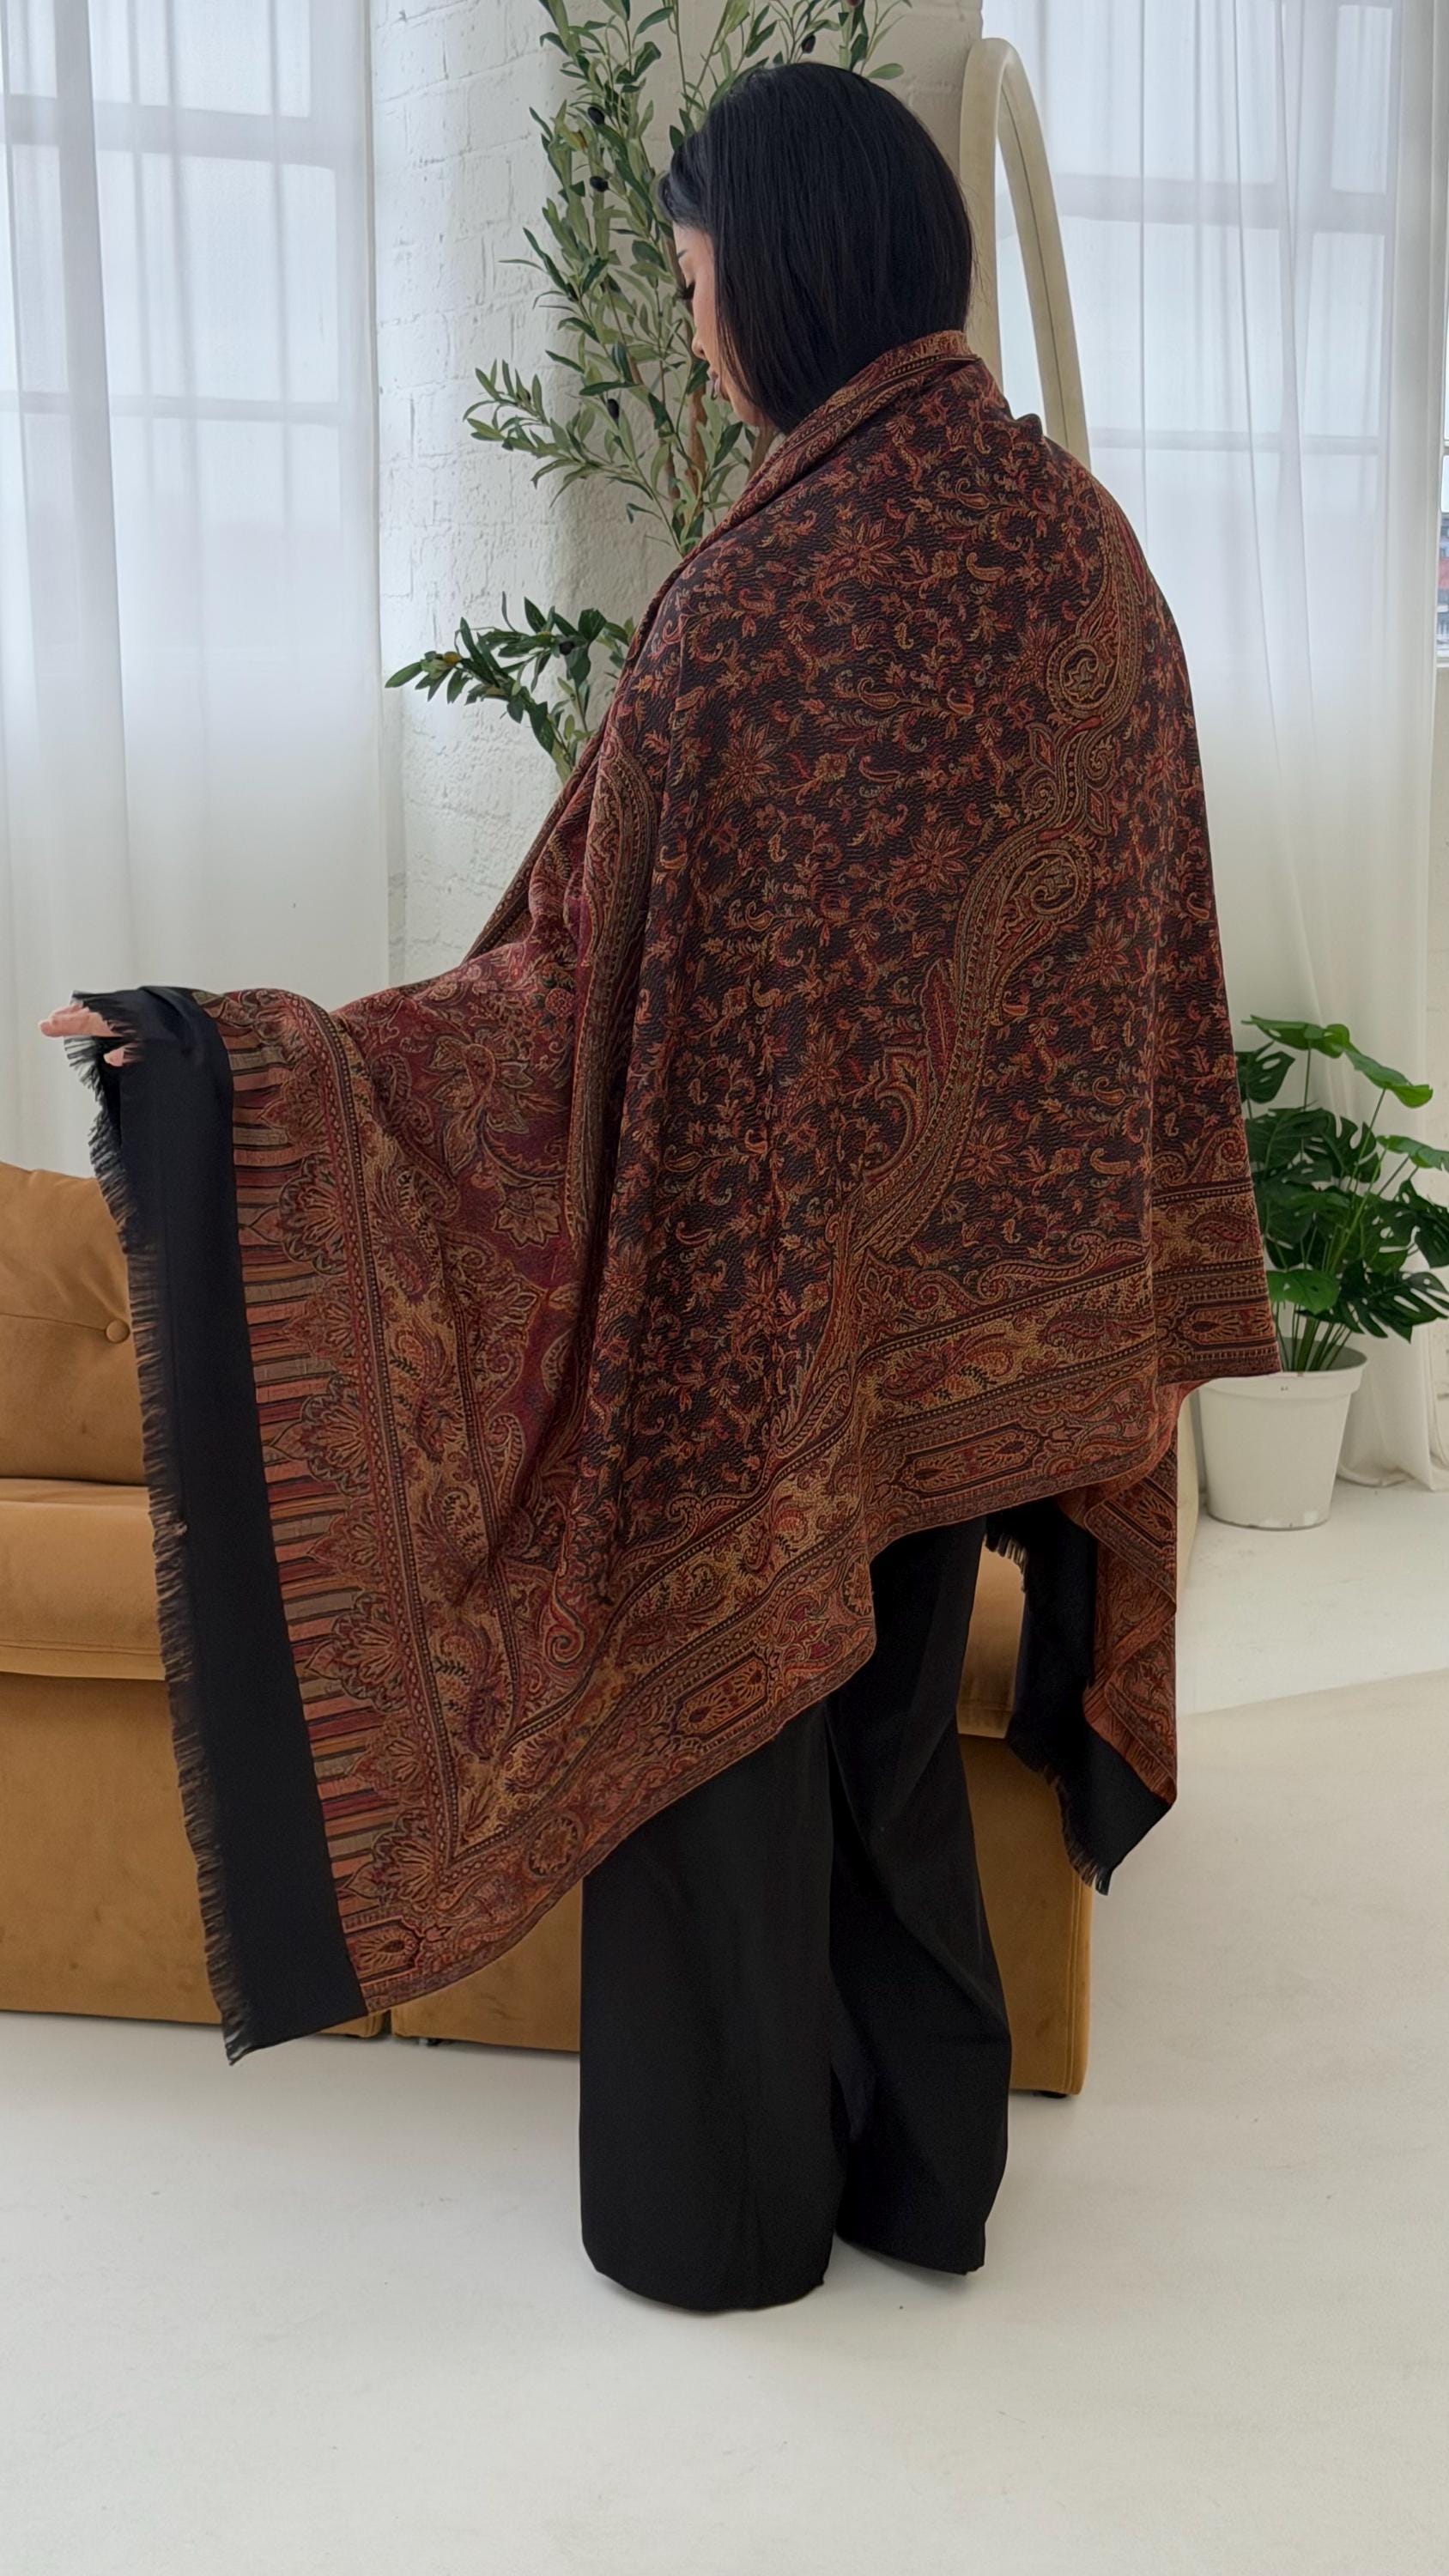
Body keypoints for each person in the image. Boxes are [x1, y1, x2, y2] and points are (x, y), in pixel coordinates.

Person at [42, 64, 1277, 2313]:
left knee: (717, 1745)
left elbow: (558, 1004)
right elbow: (1133, 958)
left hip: (758, 1321)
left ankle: (723, 2228)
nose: (694, 328)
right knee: (893, 1722)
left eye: (698, 281)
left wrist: (242, 1063)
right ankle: (929, 2181)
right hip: (988, 1314)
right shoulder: (1089, 560)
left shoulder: (756, 606)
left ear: (781, 281)